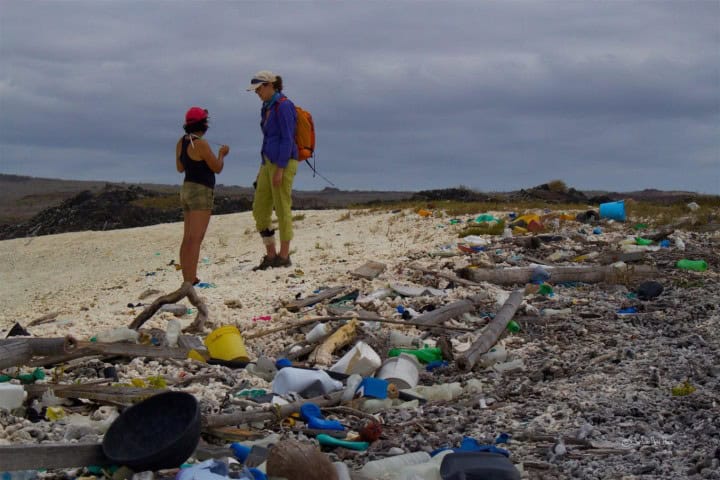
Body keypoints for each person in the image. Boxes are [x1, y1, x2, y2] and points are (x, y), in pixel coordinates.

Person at [246, 70, 299, 270]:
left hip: (283, 161)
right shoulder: (266, 107)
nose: (257, 93)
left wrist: (281, 168)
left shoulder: (284, 106)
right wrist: (263, 168)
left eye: (259, 88)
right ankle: (271, 254)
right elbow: (268, 138)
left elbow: (287, 137)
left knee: (282, 206)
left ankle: (283, 256)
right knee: (260, 209)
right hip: (267, 161)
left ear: (270, 85)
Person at [176, 106, 229, 284]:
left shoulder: (181, 142)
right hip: (201, 190)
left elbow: (180, 168)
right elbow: (217, 168)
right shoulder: (201, 144)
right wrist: (222, 154)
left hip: (187, 188)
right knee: (196, 239)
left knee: (187, 237)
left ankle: (187, 278)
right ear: (203, 124)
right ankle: (190, 279)